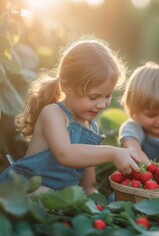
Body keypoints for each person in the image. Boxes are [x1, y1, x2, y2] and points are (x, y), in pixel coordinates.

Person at [0, 37, 142, 195]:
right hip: (25, 187)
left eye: (107, 96)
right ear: (67, 87)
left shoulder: (91, 127)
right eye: (94, 97)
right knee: (43, 193)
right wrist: (113, 152)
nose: (102, 104)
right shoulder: (53, 113)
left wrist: (98, 205)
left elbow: (88, 187)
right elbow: (65, 154)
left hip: (63, 198)